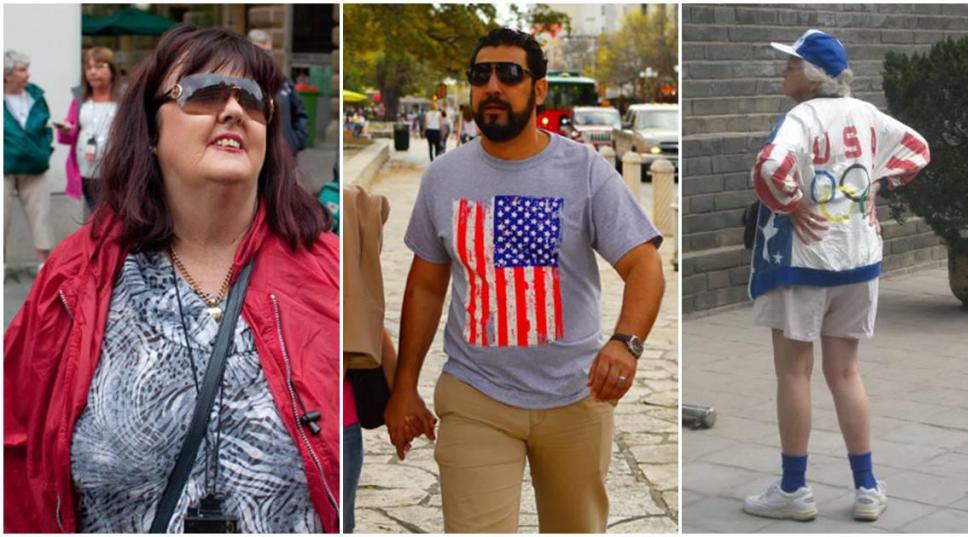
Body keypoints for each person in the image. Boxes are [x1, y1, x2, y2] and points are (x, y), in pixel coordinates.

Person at [4, 26, 339, 533]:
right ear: (151, 130)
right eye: (205, 92)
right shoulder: (73, 281)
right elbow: (15, 452)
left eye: (253, 99)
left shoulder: (326, 271)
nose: (233, 110)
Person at [384, 28, 665, 532]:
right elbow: (425, 286)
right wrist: (404, 387)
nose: (493, 85)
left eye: (509, 74)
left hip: (575, 397)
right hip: (476, 394)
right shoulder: (443, 178)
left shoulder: (585, 170)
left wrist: (626, 343)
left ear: (538, 90)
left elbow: (643, 264)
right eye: (480, 75)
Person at [744, 29, 930, 523]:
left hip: (803, 262)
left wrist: (794, 203)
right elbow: (916, 149)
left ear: (810, 77)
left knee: (793, 371)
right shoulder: (866, 114)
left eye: (790, 66)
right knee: (845, 372)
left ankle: (793, 489)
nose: (783, 72)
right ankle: (867, 487)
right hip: (858, 258)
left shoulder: (800, 117)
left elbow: (769, 168)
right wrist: (875, 188)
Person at [341, 185, 397, 533]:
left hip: (333, 416)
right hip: (337, 416)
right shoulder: (348, 205)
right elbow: (371, 323)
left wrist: (403, 398)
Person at [56, 47, 122, 214]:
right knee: (95, 214)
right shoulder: (80, 98)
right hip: (86, 169)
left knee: (113, 215)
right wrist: (65, 130)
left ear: (112, 70)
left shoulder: (124, 98)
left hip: (115, 171)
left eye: (99, 66)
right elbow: (71, 131)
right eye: (89, 67)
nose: (93, 72)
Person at [3, 49, 54, 265]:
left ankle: (45, 265)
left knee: (41, 218)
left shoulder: (35, 95)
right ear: (6, 75)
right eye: (22, 70)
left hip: (35, 166)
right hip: (4, 166)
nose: (28, 74)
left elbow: (46, 124)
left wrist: (45, 148)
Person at [248, 29, 309, 155]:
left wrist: (295, 142)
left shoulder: (282, 81)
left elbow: (300, 112)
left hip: (284, 155)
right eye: (260, 51)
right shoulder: (242, 82)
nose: (266, 56)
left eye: (268, 52)